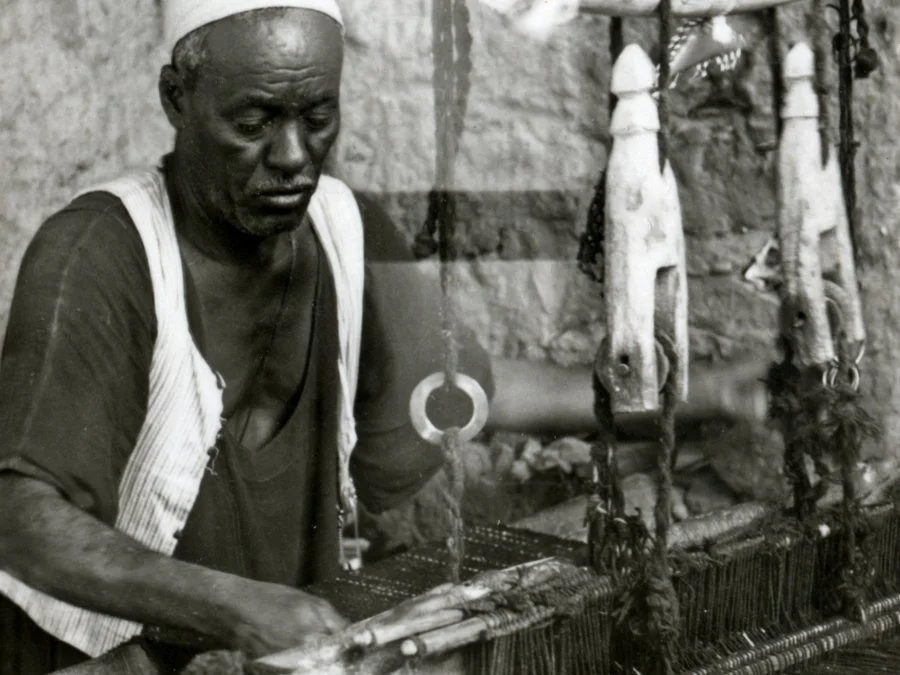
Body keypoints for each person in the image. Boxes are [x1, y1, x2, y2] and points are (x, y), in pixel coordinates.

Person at [0, 2, 769, 673]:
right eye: (255, 122)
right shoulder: (102, 251)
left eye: (318, 116)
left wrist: (707, 390)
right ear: (177, 97)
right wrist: (234, 605)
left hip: (284, 655)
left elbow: (470, 390)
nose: (295, 155)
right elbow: (21, 512)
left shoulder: (344, 227)